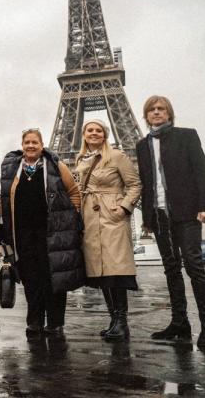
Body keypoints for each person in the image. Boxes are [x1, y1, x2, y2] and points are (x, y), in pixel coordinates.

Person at [136, 95, 205, 348]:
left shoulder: (187, 136)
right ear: (146, 115)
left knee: (194, 266)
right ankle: (180, 323)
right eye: (152, 109)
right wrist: (148, 218)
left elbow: (200, 171)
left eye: (161, 109)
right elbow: (146, 183)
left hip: (186, 213)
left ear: (169, 113)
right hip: (160, 216)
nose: (157, 112)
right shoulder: (142, 145)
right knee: (171, 269)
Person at [0, 128, 84, 339]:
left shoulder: (55, 166)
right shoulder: (13, 169)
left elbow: (73, 192)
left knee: (52, 277)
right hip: (24, 233)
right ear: (22, 145)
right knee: (30, 278)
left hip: (51, 231)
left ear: (42, 144)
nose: (30, 146)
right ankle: (34, 321)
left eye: (34, 142)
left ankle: (55, 322)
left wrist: (70, 218)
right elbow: (3, 198)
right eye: (27, 142)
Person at [73, 120, 142, 342]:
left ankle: (122, 322)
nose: (94, 133)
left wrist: (123, 208)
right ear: (83, 134)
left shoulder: (117, 156)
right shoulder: (80, 159)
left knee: (115, 270)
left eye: (98, 130)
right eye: (90, 130)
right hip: (90, 218)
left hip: (111, 216)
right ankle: (114, 320)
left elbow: (134, 184)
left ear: (105, 135)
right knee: (101, 272)